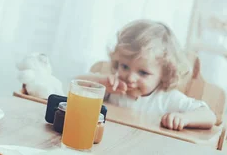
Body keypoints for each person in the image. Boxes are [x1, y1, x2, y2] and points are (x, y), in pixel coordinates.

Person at [77, 20, 216, 131]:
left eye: (143, 73)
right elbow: (75, 85)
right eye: (124, 66)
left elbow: (209, 116)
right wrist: (100, 82)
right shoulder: (112, 90)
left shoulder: (166, 99)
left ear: (165, 74)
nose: (130, 78)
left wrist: (184, 118)